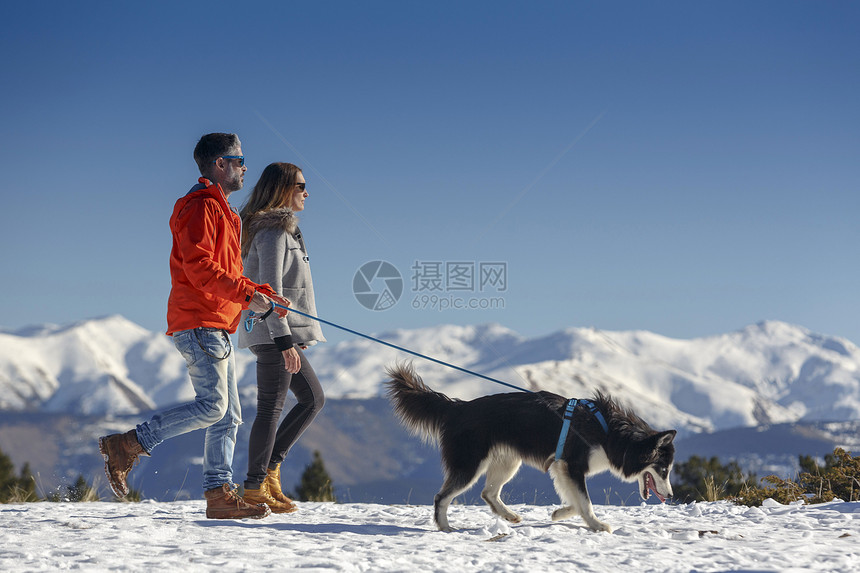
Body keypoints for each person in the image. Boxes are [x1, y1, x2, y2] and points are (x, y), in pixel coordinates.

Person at [98, 133, 291, 519]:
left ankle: (219, 495)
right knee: (215, 405)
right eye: (239, 159)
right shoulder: (201, 207)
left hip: (217, 323)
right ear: (220, 163)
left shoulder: (223, 212)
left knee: (229, 415)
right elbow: (200, 268)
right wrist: (245, 293)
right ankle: (131, 443)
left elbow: (227, 272)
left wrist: (261, 292)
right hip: (200, 322)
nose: (245, 166)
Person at [237, 162, 326, 513]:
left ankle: (269, 472)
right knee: (271, 408)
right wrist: (284, 339)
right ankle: (255, 486)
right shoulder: (273, 233)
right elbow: (269, 290)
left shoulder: (286, 233)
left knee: (312, 399)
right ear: (282, 188)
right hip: (274, 334)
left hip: (281, 332)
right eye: (301, 185)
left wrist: (293, 334)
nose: (307, 192)